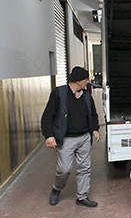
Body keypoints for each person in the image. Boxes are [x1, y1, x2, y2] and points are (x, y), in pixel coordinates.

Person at [41, 66, 100, 207]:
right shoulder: (58, 94)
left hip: (84, 137)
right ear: (79, 81)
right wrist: (49, 135)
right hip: (66, 139)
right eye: (86, 79)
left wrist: (95, 129)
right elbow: (47, 117)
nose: (88, 81)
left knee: (85, 168)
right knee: (64, 169)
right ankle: (56, 188)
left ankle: (82, 197)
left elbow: (92, 113)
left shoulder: (86, 95)